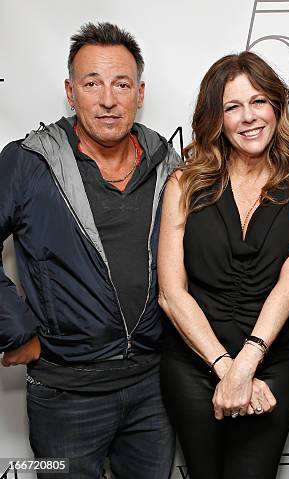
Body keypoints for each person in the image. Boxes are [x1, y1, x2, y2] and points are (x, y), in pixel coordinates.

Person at [0, 22, 179, 478]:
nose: (107, 99)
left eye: (121, 84)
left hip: (153, 388)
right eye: (92, 83)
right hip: (66, 395)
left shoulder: (170, 164)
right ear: (70, 91)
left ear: (140, 93)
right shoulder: (27, 161)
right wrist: (16, 330)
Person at [157, 51, 289, 479]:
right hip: (193, 365)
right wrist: (226, 369)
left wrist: (247, 365)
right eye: (232, 106)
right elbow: (172, 294)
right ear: (217, 118)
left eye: (258, 101)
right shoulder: (184, 183)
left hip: (271, 367)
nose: (248, 117)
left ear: (277, 107)